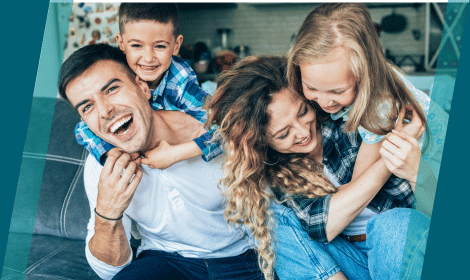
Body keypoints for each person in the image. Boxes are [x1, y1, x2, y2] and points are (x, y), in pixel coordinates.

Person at [205, 55, 433, 280]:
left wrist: (395, 151)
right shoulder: (277, 170)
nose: (303, 132)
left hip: (404, 256)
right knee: (271, 216)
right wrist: (389, 156)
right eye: (283, 134)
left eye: (303, 112)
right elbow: (326, 224)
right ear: (262, 142)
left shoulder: (351, 122)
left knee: (394, 225)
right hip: (348, 262)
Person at [58, 44, 264, 280]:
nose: (105, 111)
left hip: (244, 257)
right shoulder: (103, 162)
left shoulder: (209, 130)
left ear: (143, 87)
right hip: (165, 261)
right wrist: (107, 212)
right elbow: (109, 271)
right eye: (87, 106)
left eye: (112, 89)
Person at [287, 3, 448, 190]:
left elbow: (358, 185)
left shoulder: (380, 105)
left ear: (365, 74)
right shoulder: (375, 75)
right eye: (311, 88)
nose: (324, 102)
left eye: (338, 92)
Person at [75, 3, 223, 169]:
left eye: (159, 46)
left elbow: (227, 132)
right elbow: (82, 129)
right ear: (121, 43)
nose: (148, 58)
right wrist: (111, 152)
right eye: (136, 45)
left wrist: (174, 154)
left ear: (176, 45)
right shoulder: (116, 72)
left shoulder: (180, 84)